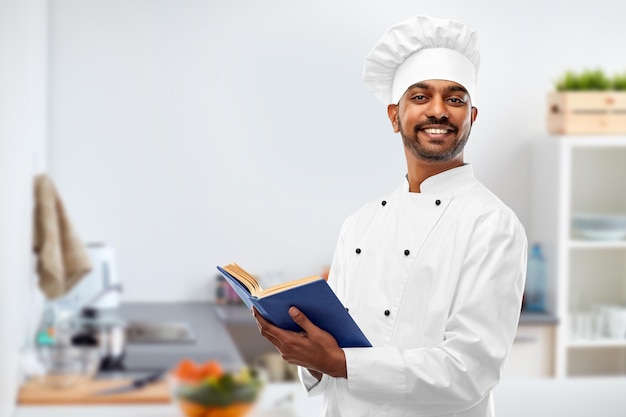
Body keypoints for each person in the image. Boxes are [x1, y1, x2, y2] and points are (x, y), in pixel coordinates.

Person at [253, 15, 527, 417]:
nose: (439, 111)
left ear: (472, 116)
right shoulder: (361, 223)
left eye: (455, 98)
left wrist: (340, 363)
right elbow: (331, 354)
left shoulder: (492, 224)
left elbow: (470, 371)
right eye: (420, 97)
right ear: (394, 116)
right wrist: (307, 352)